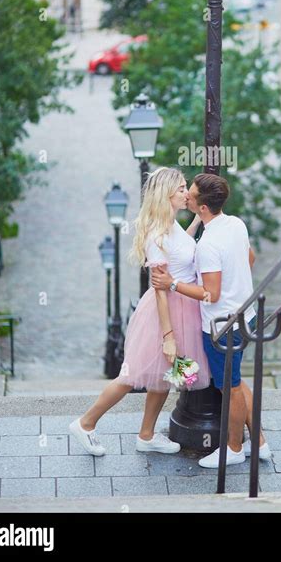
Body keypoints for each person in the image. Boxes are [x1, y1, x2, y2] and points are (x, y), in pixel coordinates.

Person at [69, 167, 211, 456]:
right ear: (167, 193)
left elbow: (180, 248)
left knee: (165, 377)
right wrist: (168, 335)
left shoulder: (170, 225)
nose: (187, 193)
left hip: (182, 306)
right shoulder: (157, 233)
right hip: (166, 311)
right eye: (182, 188)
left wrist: (198, 220)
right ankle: (85, 423)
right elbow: (159, 287)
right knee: (132, 376)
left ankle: (146, 435)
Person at [152, 172, 270, 468]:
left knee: (229, 387)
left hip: (222, 327)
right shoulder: (236, 224)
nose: (186, 196)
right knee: (236, 383)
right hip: (247, 315)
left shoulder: (207, 246)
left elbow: (211, 294)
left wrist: (173, 285)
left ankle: (233, 448)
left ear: (202, 207)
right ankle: (260, 442)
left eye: (189, 194)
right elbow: (250, 259)